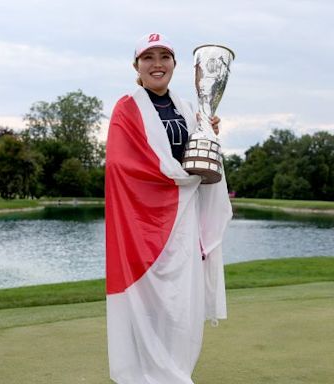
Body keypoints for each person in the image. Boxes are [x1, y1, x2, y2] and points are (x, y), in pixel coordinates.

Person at [105, 33, 232, 384]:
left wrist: (206, 130)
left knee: (181, 300)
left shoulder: (187, 108)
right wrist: (177, 179)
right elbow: (121, 166)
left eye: (164, 57)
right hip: (143, 224)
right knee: (150, 299)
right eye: (148, 57)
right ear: (137, 66)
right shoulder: (126, 108)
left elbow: (196, 158)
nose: (157, 64)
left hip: (184, 221)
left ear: (176, 65)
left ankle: (177, 371)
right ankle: (146, 373)